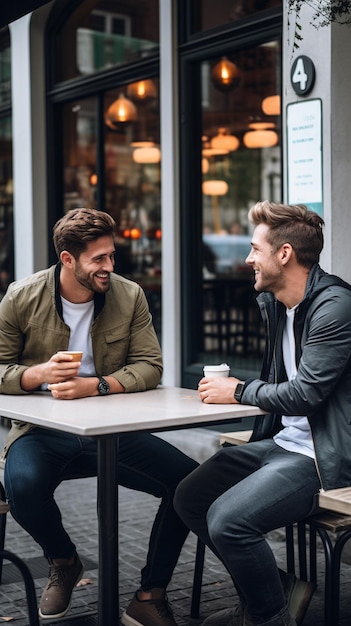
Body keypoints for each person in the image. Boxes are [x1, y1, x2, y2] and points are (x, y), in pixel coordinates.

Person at [0, 207, 198, 626]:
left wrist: (99, 385)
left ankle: (150, 594)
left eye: (111, 256)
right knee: (22, 485)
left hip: (112, 431)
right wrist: (37, 374)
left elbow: (150, 365)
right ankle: (64, 560)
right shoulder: (22, 296)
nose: (110, 266)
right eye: (99, 259)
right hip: (43, 431)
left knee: (187, 482)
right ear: (67, 259)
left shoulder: (129, 295)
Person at [174, 201, 351, 626]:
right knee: (190, 497)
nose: (248, 259)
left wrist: (236, 390)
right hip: (284, 442)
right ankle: (276, 591)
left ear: (284, 254)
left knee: (228, 520)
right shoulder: (277, 305)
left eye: (255, 248)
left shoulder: (334, 306)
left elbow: (306, 394)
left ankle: (269, 618)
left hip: (322, 456)